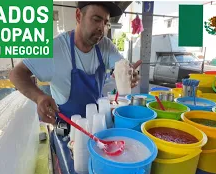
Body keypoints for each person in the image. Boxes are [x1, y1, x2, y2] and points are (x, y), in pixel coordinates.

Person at [9, 2, 141, 124]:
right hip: (67, 128)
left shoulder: (105, 46)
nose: (102, 28)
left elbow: (122, 67)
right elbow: (17, 74)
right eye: (96, 19)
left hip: (96, 124)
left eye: (106, 23)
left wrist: (130, 74)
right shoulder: (55, 48)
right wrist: (39, 97)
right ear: (78, 16)